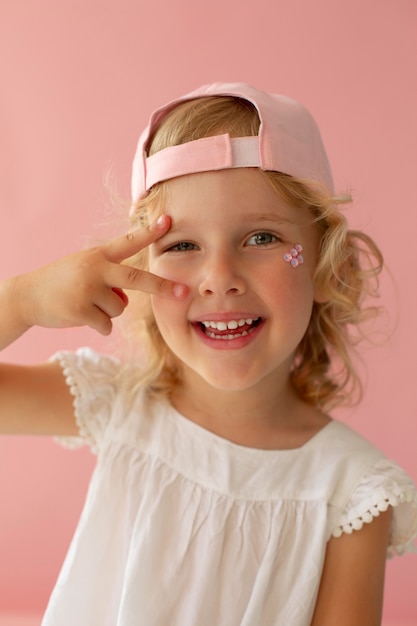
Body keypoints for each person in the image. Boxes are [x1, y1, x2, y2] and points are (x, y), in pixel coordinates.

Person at [0, 82, 416, 626]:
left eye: (263, 238)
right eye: (182, 246)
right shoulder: (120, 407)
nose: (219, 279)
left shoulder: (351, 492)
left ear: (325, 266)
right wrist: (24, 299)